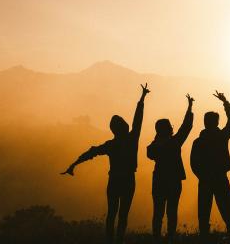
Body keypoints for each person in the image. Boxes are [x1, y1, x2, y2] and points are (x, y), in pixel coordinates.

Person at [61, 83, 150, 244]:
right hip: (128, 180)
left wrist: (73, 165)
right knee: (123, 214)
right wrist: (142, 98)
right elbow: (138, 119)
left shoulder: (111, 145)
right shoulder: (132, 139)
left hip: (114, 180)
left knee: (112, 213)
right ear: (124, 127)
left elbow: (90, 152)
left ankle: (110, 240)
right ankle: (119, 240)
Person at [147, 93, 195, 242]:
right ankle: (170, 237)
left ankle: (156, 237)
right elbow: (186, 127)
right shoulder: (174, 142)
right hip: (174, 180)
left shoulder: (153, 146)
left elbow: (150, 154)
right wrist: (190, 107)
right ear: (169, 129)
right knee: (172, 211)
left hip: (159, 180)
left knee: (158, 211)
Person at [190, 91, 230, 236]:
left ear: (205, 122)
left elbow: (193, 163)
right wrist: (225, 101)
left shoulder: (198, 141)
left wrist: (202, 175)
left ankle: (204, 234)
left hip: (204, 179)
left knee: (204, 209)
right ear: (216, 122)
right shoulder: (221, 137)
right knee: (227, 207)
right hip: (220, 177)